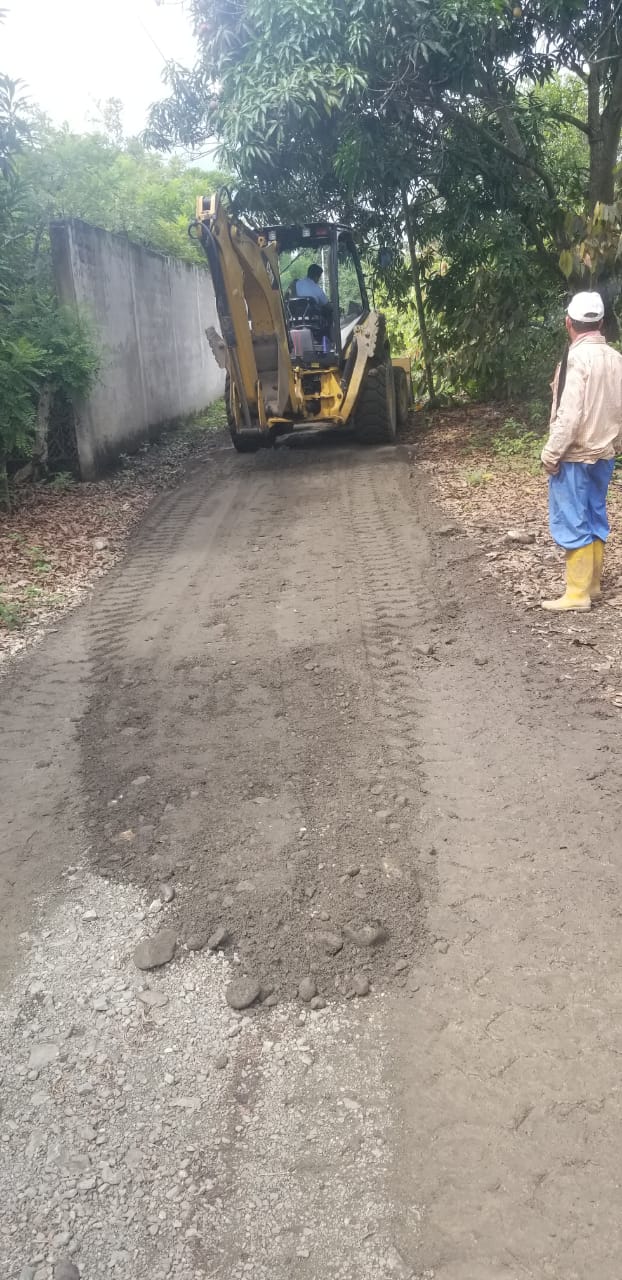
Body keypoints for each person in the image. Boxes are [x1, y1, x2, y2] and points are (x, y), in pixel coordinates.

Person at [540, 290, 622, 612]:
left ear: (568, 323)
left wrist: (551, 453)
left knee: (573, 519)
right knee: (594, 514)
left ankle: (577, 594)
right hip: (605, 454)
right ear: (601, 323)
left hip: (574, 456)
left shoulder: (574, 359)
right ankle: (593, 585)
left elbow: (569, 415)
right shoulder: (616, 359)